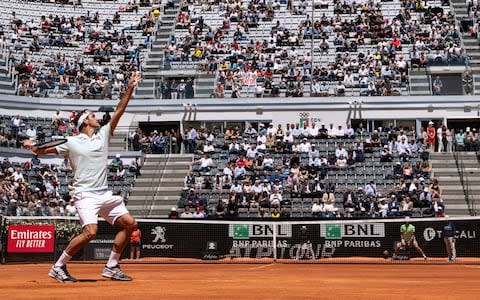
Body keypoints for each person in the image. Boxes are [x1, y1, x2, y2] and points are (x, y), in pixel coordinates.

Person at [24, 72, 142, 283]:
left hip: (104, 193)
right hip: (84, 194)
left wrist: (131, 87)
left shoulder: (103, 134)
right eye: (92, 116)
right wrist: (33, 147)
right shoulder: (70, 142)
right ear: (85, 122)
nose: (96, 118)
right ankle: (58, 267)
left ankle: (111, 266)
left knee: (130, 224)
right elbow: (42, 152)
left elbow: (120, 110)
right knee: (90, 232)